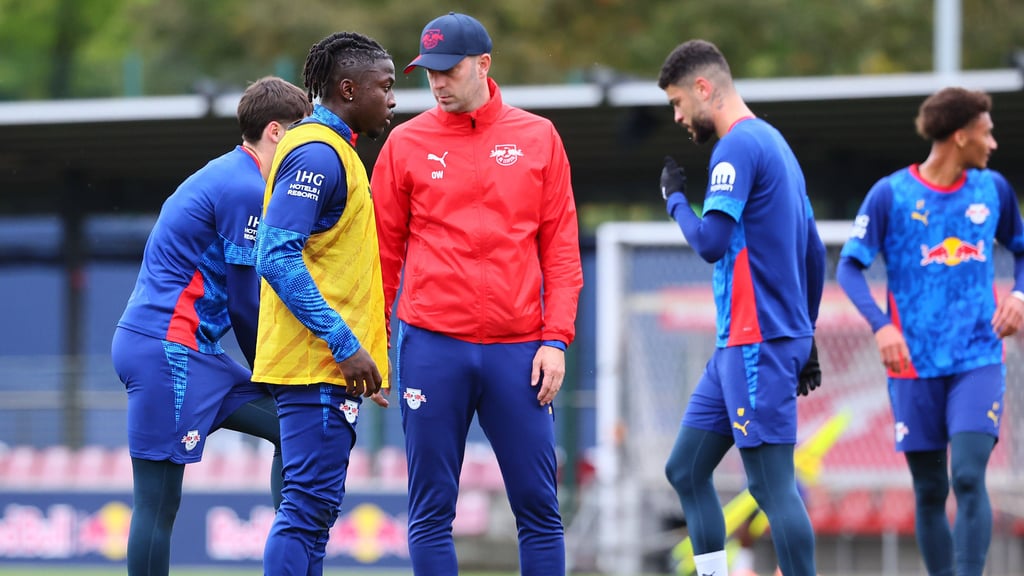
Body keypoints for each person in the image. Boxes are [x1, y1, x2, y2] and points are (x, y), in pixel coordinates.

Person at [370, 12, 584, 576]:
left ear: (483, 65)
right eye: (428, 72)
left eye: (449, 69)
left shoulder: (539, 138)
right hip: (431, 347)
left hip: (519, 351)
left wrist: (555, 339)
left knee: (539, 510)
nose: (437, 82)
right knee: (431, 510)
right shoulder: (404, 143)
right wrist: (375, 341)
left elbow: (560, 251)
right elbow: (382, 257)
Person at [111, 76, 311, 576]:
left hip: (192, 352)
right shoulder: (244, 186)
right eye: (301, 136)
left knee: (295, 427)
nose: (306, 153)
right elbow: (246, 302)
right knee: (159, 504)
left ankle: (287, 558)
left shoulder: (235, 176)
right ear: (274, 132)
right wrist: (271, 369)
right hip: (167, 351)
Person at [837, 87, 1024, 576]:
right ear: (960, 136)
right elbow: (849, 269)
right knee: (928, 489)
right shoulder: (891, 194)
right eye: (987, 132)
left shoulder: (993, 191)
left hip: (977, 358)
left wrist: (1019, 297)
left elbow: (1022, 248)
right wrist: (881, 328)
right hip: (912, 364)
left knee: (966, 474)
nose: (994, 143)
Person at [656, 39, 825, 576]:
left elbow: (709, 242)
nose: (679, 117)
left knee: (771, 486)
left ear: (705, 88)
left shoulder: (737, 147)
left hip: (757, 341)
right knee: (685, 469)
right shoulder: (776, 144)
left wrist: (675, 201)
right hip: (743, 342)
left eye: (679, 103)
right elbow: (813, 250)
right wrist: (808, 332)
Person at [252, 31, 395, 576]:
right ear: (347, 87)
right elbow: (276, 256)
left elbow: (338, 268)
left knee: (315, 514)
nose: (392, 98)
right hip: (317, 365)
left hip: (334, 370)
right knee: (305, 510)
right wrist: (344, 343)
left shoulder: (340, 152)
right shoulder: (317, 152)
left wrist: (365, 355)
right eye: (384, 87)